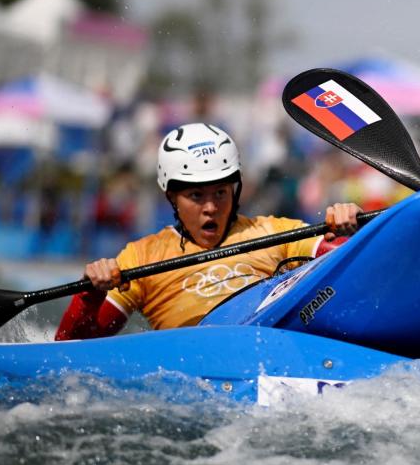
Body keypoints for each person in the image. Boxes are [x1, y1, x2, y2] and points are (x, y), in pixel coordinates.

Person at [55, 123, 362, 340]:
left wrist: (349, 228)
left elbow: (349, 261)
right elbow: (70, 347)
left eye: (220, 193)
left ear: (236, 191)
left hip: (268, 353)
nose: (211, 207)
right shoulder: (140, 257)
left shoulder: (274, 231)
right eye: (196, 196)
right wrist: (89, 295)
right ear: (171, 197)